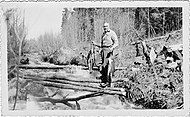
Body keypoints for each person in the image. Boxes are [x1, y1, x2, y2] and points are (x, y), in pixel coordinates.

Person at [92, 22, 119, 87]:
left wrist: (112, 48)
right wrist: (95, 44)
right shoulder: (103, 34)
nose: (105, 28)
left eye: (106, 26)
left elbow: (116, 42)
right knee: (97, 62)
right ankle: (103, 76)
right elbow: (102, 44)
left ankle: (106, 81)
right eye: (104, 26)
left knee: (106, 66)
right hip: (102, 50)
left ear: (109, 26)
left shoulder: (112, 33)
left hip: (108, 51)